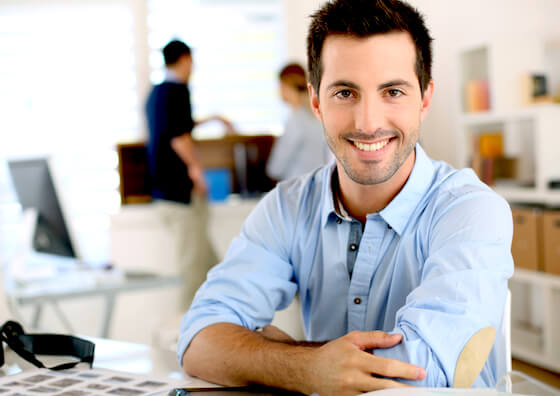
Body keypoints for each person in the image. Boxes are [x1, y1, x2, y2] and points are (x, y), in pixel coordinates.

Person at [177, 0, 514, 394]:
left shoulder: (471, 211)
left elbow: (425, 371)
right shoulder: (286, 208)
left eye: (392, 91)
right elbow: (199, 339)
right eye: (344, 93)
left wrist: (285, 359)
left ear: (424, 99)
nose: (368, 123)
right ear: (316, 102)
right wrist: (307, 366)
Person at [145, 39, 233, 310]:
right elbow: (178, 137)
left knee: (211, 267)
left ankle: (222, 324)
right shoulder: (178, 91)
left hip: (164, 194)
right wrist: (197, 170)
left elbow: (175, 125)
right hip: (181, 195)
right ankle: (186, 331)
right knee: (194, 270)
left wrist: (213, 119)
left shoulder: (157, 93)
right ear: (184, 60)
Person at [266, 63, 331, 181]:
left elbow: (276, 168)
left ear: (286, 86)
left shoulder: (295, 120)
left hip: (296, 189)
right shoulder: (317, 114)